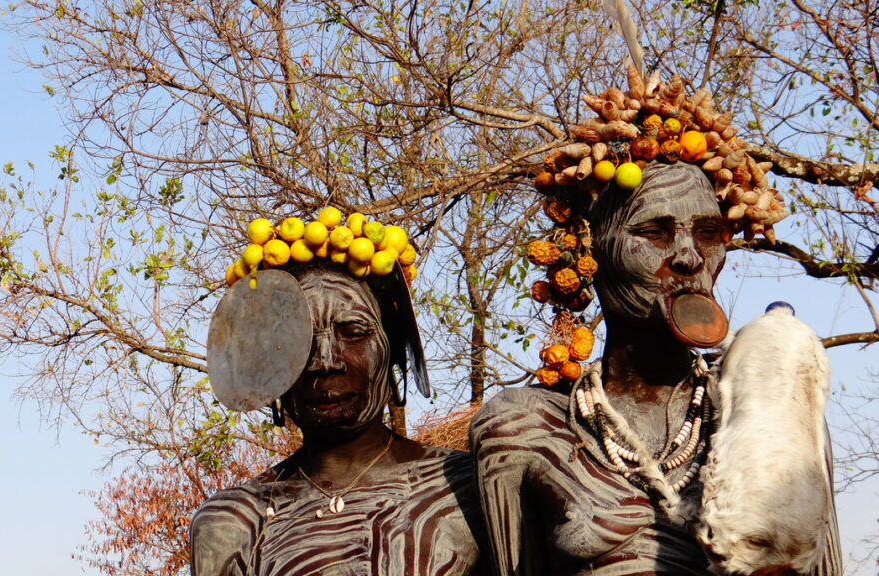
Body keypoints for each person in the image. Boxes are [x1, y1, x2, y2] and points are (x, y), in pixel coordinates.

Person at [470, 70, 842, 575]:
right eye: (655, 232)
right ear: (590, 248)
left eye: (708, 233)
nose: (689, 257)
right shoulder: (524, 426)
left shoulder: (772, 405)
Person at [190, 218, 489, 576]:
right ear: (271, 366)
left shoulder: (469, 486)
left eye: (352, 332)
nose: (325, 362)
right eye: (300, 343)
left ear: (390, 351)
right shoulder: (235, 521)